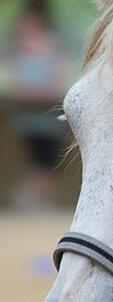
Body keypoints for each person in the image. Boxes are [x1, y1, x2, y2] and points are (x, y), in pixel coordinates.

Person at [6, 11, 68, 209]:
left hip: (50, 119)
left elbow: (58, 82)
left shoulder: (53, 50)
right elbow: (15, 86)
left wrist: (39, 92)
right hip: (29, 119)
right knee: (38, 160)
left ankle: (36, 198)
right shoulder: (18, 53)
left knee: (49, 160)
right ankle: (34, 199)